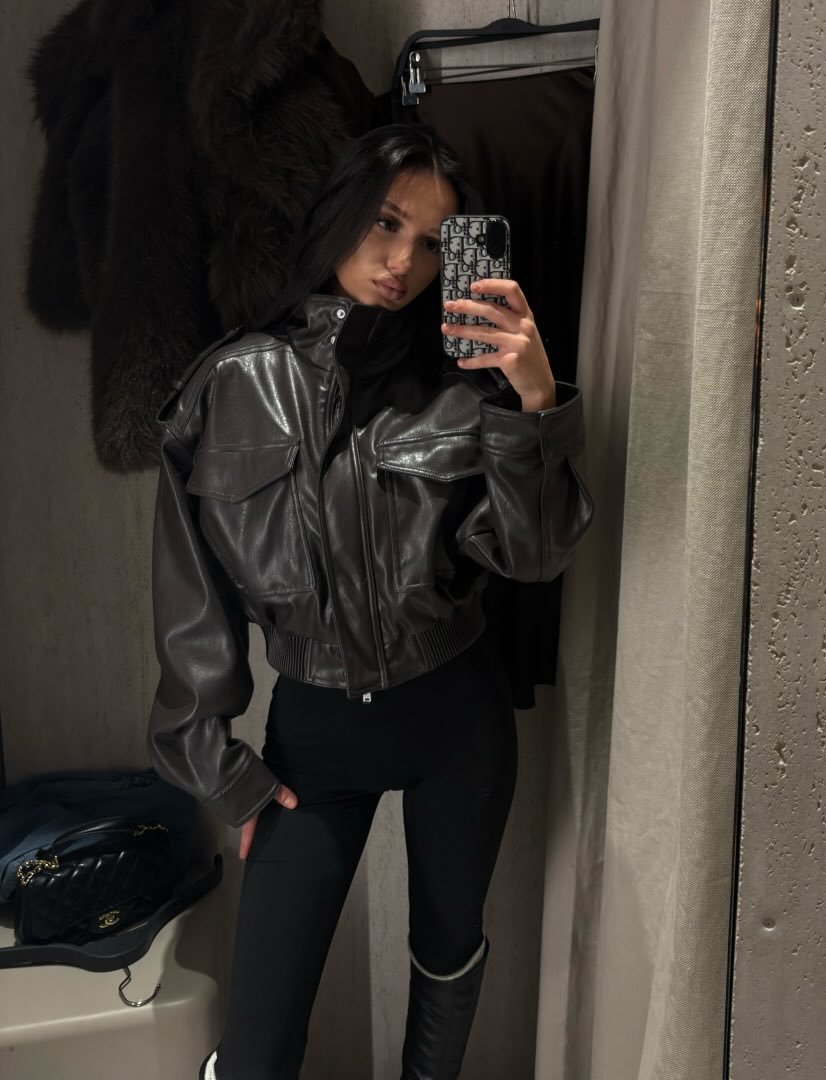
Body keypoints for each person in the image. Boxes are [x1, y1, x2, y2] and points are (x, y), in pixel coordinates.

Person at [146, 124, 593, 1080]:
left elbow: (536, 557)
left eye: (432, 242)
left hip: (456, 719)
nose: (403, 262)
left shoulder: (462, 388)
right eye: (386, 222)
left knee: (446, 954)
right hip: (314, 737)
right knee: (258, 1042)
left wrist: (533, 401)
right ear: (339, 212)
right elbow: (191, 598)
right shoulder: (230, 383)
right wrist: (222, 771)